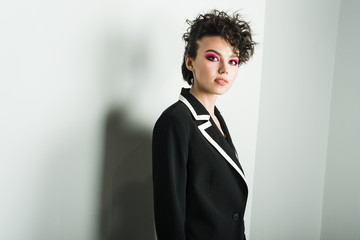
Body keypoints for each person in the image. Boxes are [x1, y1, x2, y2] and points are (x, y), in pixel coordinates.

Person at [152, 9, 256, 240]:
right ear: (190, 61)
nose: (224, 69)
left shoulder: (216, 118)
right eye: (212, 57)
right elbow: (169, 213)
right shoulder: (175, 121)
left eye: (233, 61)